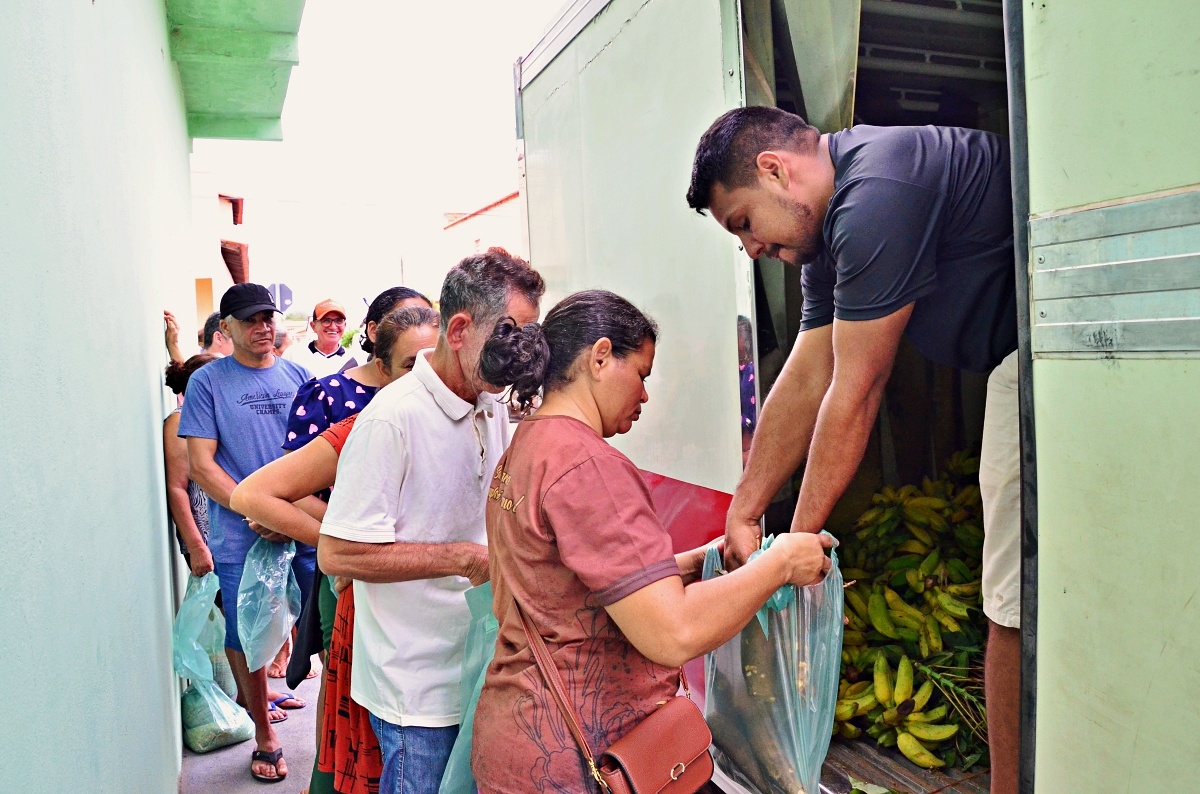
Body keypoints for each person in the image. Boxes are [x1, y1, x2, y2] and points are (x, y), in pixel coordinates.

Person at [686, 106, 1019, 794]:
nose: (749, 248)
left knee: (1007, 604)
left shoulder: (878, 194)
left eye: (744, 222)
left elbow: (856, 389)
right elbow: (809, 373)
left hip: (1047, 357)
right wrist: (745, 512)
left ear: (776, 171)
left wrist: (793, 546)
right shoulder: (829, 231)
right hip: (1017, 365)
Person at [469, 290, 834, 793]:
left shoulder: (531, 444)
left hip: (522, 737)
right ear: (600, 357)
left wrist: (704, 560)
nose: (644, 395)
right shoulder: (589, 465)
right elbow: (673, 632)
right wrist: (781, 564)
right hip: (583, 760)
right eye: (640, 374)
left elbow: (581, 585)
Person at [318, 249, 545, 794]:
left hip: (477, 666)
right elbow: (338, 553)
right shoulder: (392, 419)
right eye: (509, 335)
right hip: (414, 691)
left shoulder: (491, 405)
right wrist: (463, 558)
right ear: (461, 329)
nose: (518, 355)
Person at [231, 306, 441, 794]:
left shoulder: (446, 408)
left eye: (436, 358)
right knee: (346, 690)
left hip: (414, 588)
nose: (429, 373)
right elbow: (273, 490)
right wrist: (348, 542)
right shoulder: (353, 407)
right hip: (350, 572)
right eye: (413, 363)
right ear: (380, 355)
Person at [178, 283, 318, 784]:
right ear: (227, 329)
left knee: (320, 625)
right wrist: (256, 509)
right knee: (247, 636)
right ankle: (264, 733)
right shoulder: (209, 383)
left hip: (302, 528)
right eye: (250, 319)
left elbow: (321, 454)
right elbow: (202, 465)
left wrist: (289, 515)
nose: (262, 326)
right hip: (241, 536)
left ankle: (337, 734)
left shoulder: (301, 375)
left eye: (267, 317)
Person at [164, 353, 218, 576]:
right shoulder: (179, 420)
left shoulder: (213, 418)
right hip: (205, 539)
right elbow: (177, 487)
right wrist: (197, 548)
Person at [285, 299, 357, 377]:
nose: (333, 327)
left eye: (338, 321)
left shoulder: (353, 361)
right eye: (326, 320)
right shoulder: (294, 355)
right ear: (313, 326)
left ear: (344, 325)